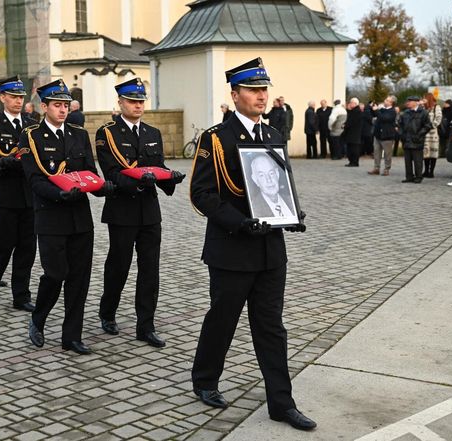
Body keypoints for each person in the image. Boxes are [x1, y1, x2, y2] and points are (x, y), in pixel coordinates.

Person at [189, 57, 315, 431]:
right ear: (235, 94)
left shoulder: (274, 135)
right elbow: (201, 194)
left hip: (270, 252)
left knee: (272, 326)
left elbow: (281, 187)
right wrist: (241, 223)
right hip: (231, 249)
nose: (262, 96)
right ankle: (205, 380)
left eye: (264, 90)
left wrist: (292, 216)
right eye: (253, 90)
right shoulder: (217, 137)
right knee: (222, 319)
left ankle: (281, 402)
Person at [21, 79, 112, 355]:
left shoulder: (78, 134)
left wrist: (101, 188)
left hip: (79, 218)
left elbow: (88, 171)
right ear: (44, 106)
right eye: (57, 105)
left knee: (79, 278)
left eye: (65, 105)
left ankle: (71, 336)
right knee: (55, 273)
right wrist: (59, 195)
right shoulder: (31, 136)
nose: (62, 110)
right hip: (51, 216)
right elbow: (35, 179)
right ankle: (38, 317)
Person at [95, 77, 186, 348]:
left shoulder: (151, 133)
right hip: (122, 210)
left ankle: (145, 325)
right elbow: (110, 172)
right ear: (120, 102)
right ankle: (107, 312)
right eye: (132, 101)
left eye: (140, 101)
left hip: (149, 212)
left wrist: (171, 178)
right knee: (118, 266)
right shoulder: (107, 133)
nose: (137, 105)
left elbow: (157, 166)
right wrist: (138, 182)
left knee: (150, 270)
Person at [0, 75, 38, 312]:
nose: (17, 101)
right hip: (5, 194)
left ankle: (21, 295)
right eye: (13, 97)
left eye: (20, 97)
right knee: (4, 244)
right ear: (2, 97)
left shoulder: (32, 124)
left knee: (27, 247)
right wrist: (3, 164)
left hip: (29, 194)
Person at [398, 96, 432, 184]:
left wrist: (419, 134)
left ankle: (418, 177)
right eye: (407, 101)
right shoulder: (405, 113)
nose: (408, 102)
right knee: (407, 160)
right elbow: (400, 125)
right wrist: (401, 135)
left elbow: (428, 126)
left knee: (418, 160)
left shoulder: (423, 112)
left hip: (417, 139)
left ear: (417, 102)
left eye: (410, 101)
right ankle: (409, 176)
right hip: (406, 139)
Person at [368, 95, 398, 176]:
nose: (385, 101)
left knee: (387, 154)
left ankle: (386, 169)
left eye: (387, 100)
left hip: (387, 135)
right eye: (385, 99)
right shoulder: (382, 109)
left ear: (391, 103)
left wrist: (376, 111)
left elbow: (384, 118)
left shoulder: (392, 111)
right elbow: (375, 115)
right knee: (377, 152)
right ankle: (376, 168)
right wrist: (372, 108)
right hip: (378, 134)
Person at [422, 93, 442, 178]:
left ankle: (431, 171)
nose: (423, 100)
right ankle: (426, 170)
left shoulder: (436, 107)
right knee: (426, 152)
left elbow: (438, 118)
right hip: (424, 133)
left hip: (433, 133)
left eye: (424, 98)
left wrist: (430, 126)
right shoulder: (423, 108)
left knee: (433, 152)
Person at [344, 97, 363, 167]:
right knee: (350, 147)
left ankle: (354, 162)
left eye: (351, 103)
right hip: (351, 133)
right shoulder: (354, 111)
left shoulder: (357, 111)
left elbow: (351, 121)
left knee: (354, 148)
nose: (349, 104)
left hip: (354, 133)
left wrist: (345, 126)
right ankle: (351, 161)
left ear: (355, 103)